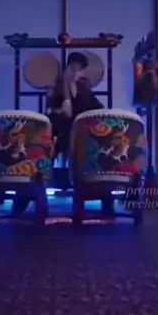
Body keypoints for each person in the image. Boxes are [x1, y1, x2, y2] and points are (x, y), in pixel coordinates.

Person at [12, 52, 107, 216]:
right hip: (59, 130)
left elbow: (98, 110)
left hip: (80, 133)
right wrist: (65, 99)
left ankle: (103, 195)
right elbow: (53, 111)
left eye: (79, 69)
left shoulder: (84, 87)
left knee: (94, 147)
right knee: (43, 145)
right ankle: (26, 192)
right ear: (67, 67)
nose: (75, 72)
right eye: (72, 67)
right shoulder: (56, 85)